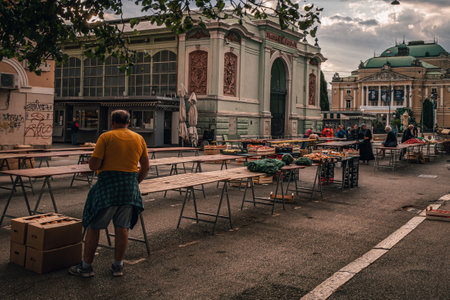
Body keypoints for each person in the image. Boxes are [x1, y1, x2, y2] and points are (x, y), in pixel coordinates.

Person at [69, 110, 150, 278]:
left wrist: (93, 161)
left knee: (93, 225)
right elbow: (145, 166)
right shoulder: (139, 138)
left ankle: (86, 267)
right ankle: (118, 266)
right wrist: (135, 182)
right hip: (129, 187)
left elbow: (94, 165)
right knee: (122, 228)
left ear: (112, 122)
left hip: (108, 186)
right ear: (128, 122)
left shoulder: (105, 137)